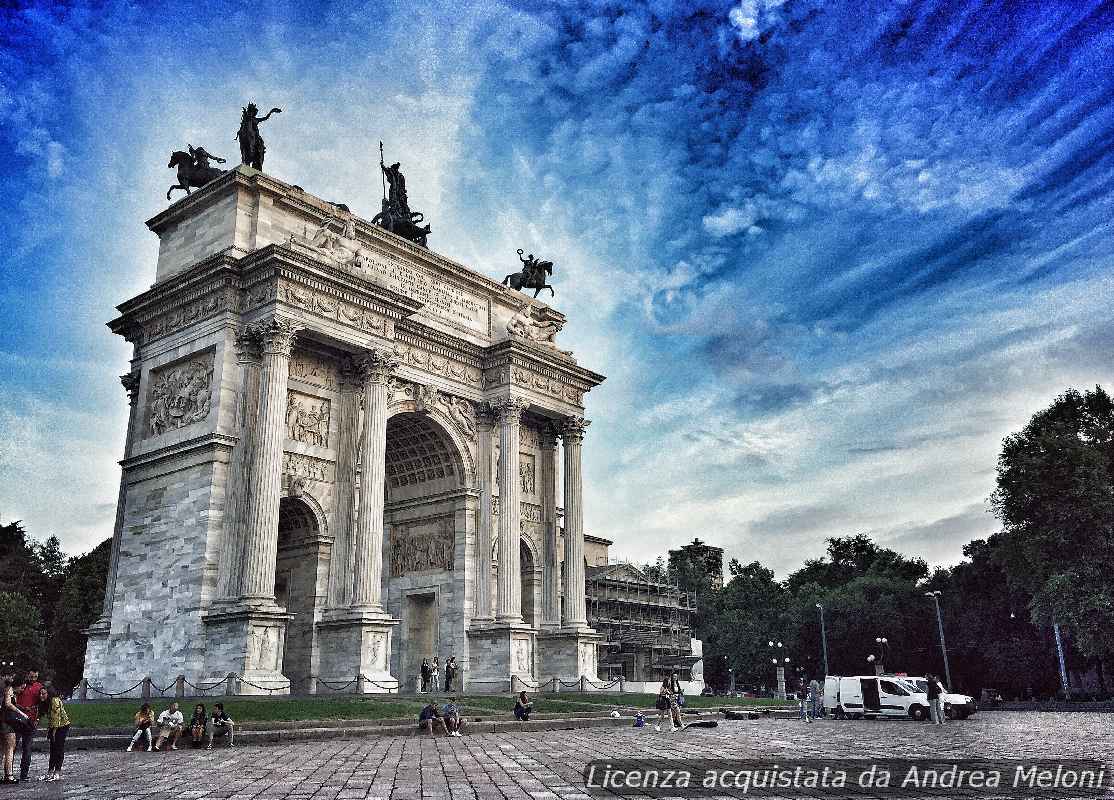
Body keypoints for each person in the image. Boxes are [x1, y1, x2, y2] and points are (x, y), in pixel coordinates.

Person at [14, 671, 42, 782]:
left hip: (31, 722)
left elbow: (42, 704)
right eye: (31, 676)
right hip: (18, 720)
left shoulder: (40, 687)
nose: (33, 678)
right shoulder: (21, 685)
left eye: (35, 676)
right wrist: (23, 708)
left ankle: (24, 774)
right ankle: (8, 773)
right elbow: (13, 701)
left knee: (27, 749)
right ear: (27, 675)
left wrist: (38, 719)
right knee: (13, 747)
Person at [2, 675, 31, 784]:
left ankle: (6, 775)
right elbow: (8, 704)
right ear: (17, 685)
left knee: (3, 750)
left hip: (4, 722)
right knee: (10, 749)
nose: (22, 690)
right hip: (7, 723)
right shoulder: (9, 690)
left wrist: (22, 708)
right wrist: (21, 713)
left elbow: (11, 704)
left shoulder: (9, 691)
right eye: (22, 688)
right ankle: (9, 776)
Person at [38, 687, 69, 782]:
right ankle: (50, 771)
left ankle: (57, 771)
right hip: (54, 726)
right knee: (52, 749)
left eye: (43, 694)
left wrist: (53, 732)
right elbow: (50, 718)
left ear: (49, 694)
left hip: (62, 726)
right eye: (40, 694)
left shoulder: (55, 700)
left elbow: (57, 718)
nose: (41, 696)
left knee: (58, 748)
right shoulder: (46, 702)